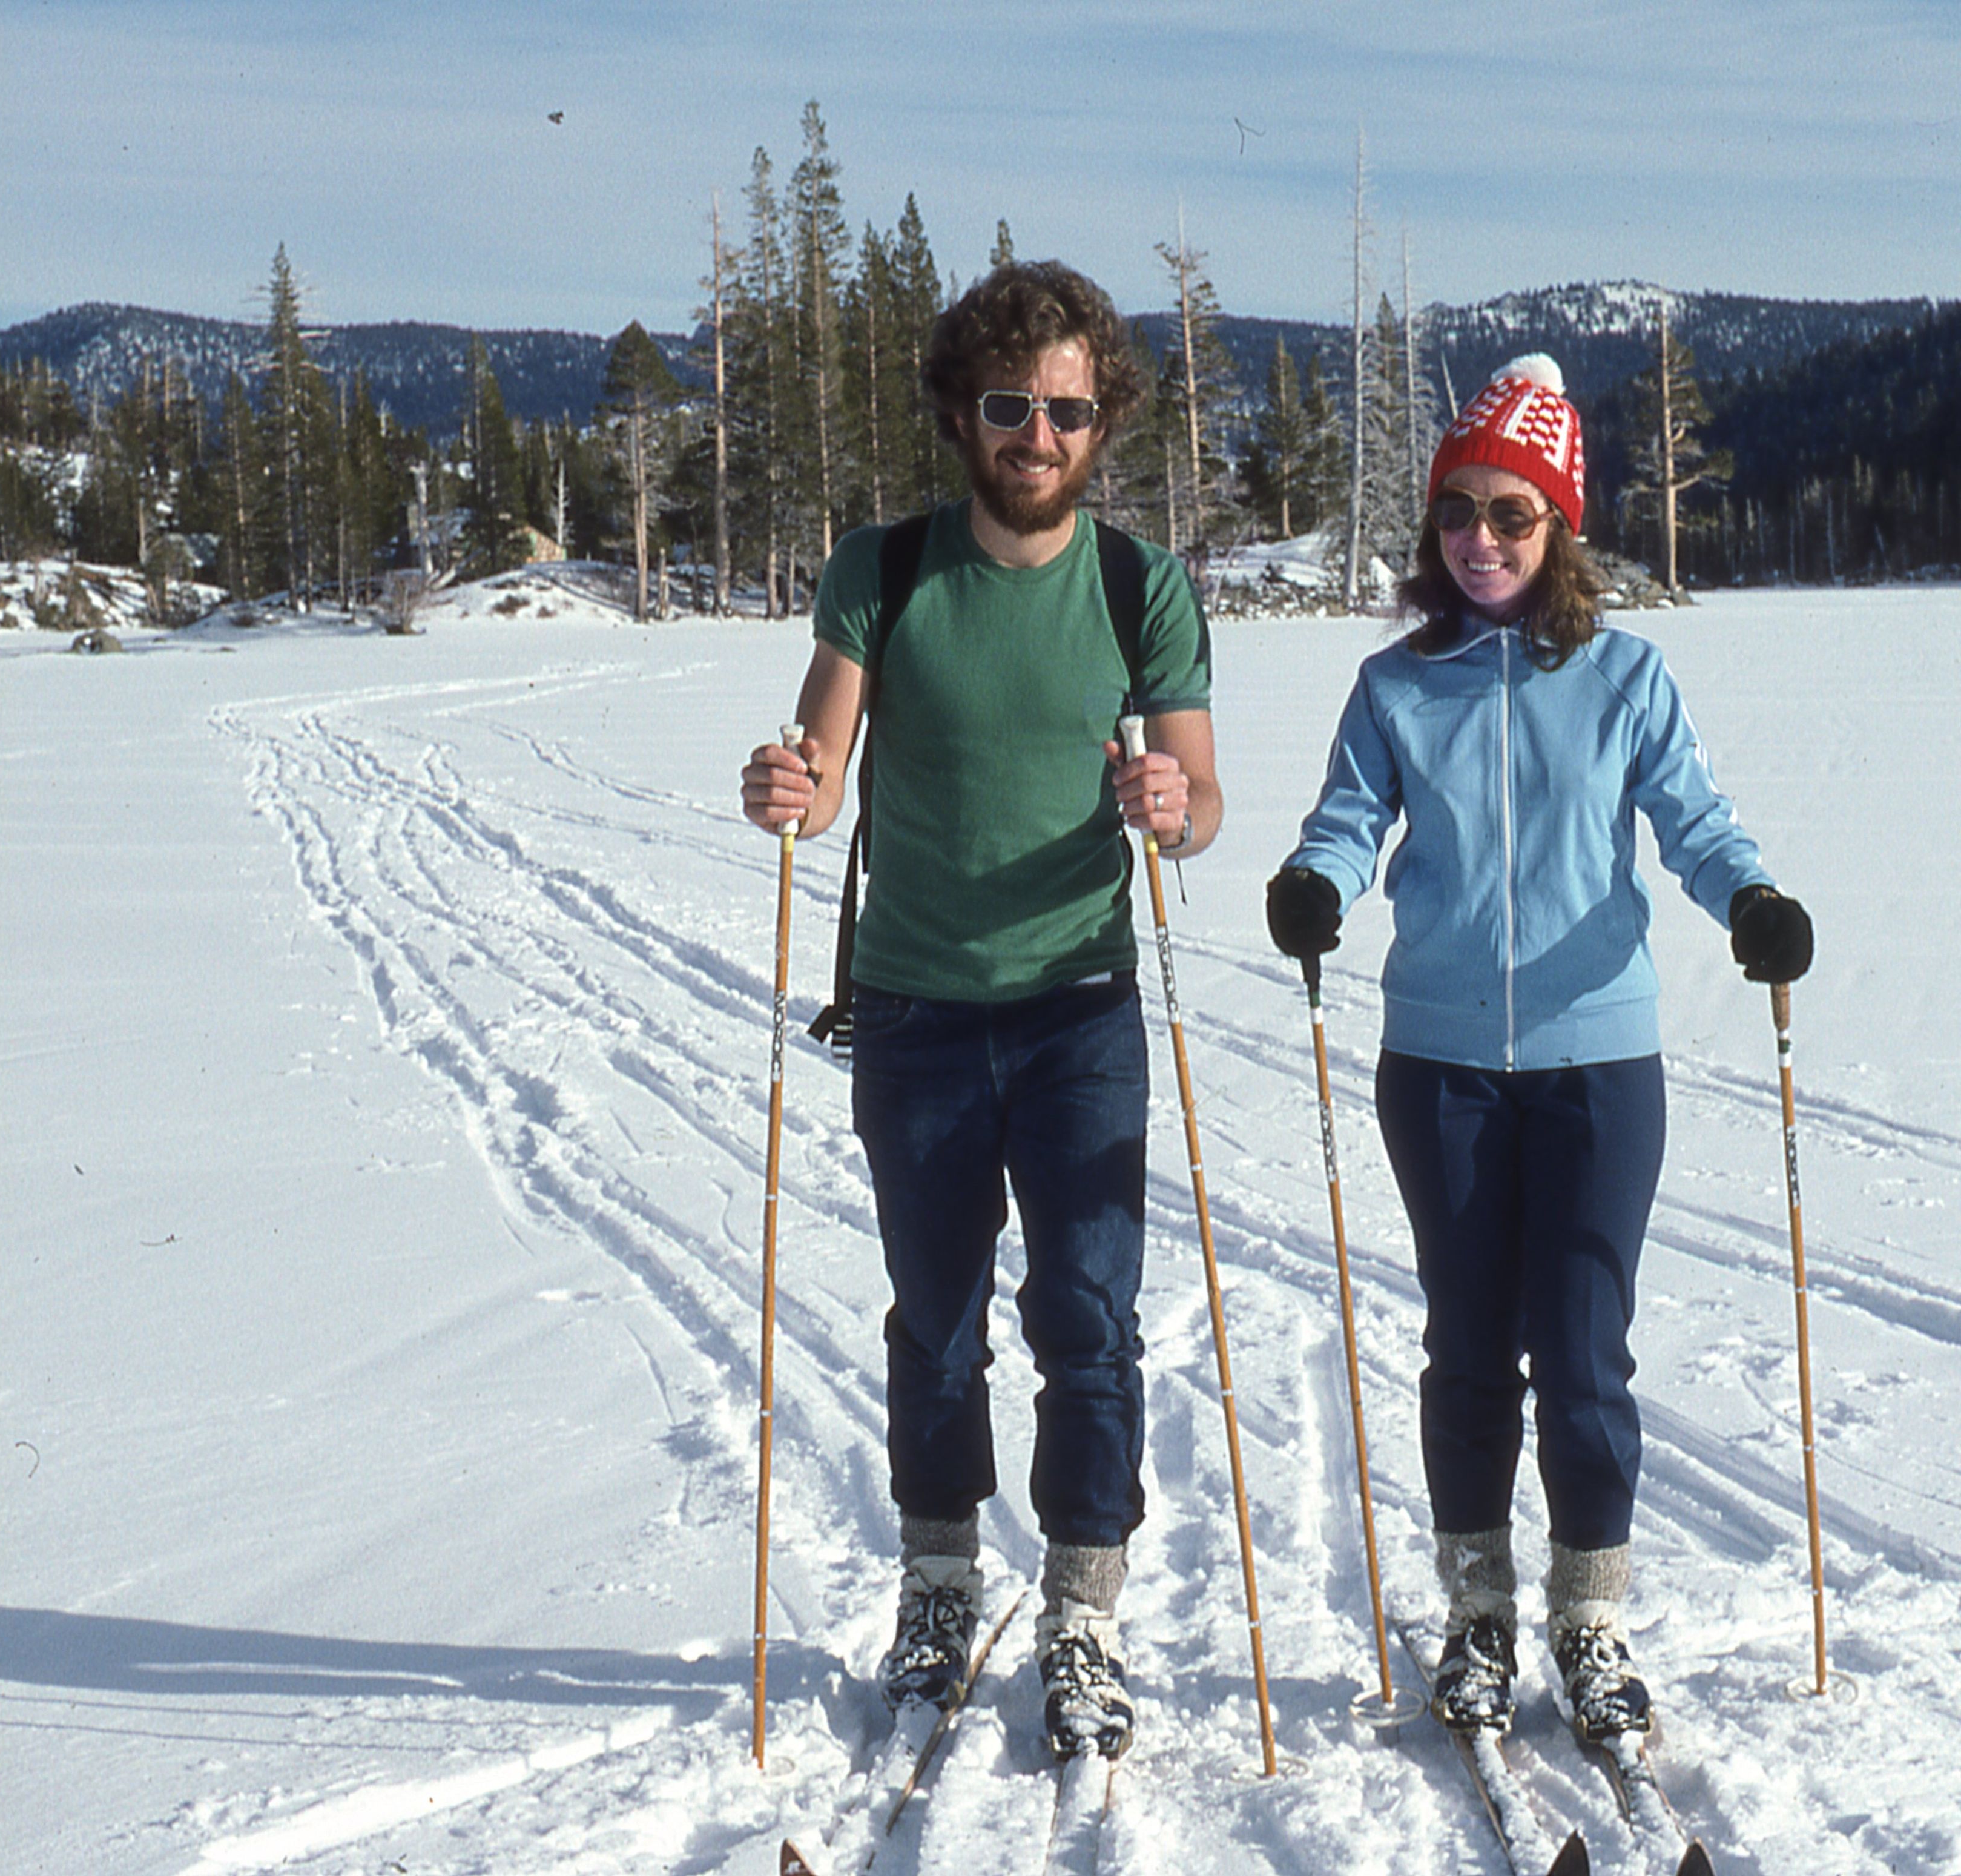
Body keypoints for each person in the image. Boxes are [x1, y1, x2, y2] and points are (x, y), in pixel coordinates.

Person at [1264, 355, 1813, 1743]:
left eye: (1511, 516)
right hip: (1440, 1066)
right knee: (1464, 1348)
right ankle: (1474, 1617)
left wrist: (1747, 898)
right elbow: (1345, 817)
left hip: (1595, 1063)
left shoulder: (1625, 676)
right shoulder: (1397, 685)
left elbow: (1692, 822)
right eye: (1459, 514)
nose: (1482, 541)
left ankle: (1589, 1615)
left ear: (1556, 524)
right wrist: (1316, 880)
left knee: (1580, 1352)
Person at [739, 261, 1221, 1760]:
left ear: (1098, 423)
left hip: (1078, 1004)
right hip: (916, 1012)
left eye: (1064, 409)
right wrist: (785, 788)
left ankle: (1081, 1611)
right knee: (934, 1322)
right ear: (961, 412)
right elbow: (815, 764)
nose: (1036, 431)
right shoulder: (882, 571)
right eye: (1008, 404)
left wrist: (1169, 802)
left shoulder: (1142, 586)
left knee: (1086, 1313)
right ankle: (939, 1585)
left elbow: (1200, 802)